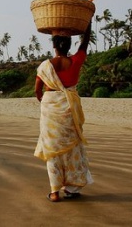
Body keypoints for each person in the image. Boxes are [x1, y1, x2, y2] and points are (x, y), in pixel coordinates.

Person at [34, 22, 93, 202]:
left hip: (51, 108)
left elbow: (37, 91)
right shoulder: (75, 61)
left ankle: (54, 192)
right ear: (69, 46)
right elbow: (84, 43)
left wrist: (44, 101)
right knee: (72, 150)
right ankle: (71, 187)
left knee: (53, 150)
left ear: (53, 45)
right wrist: (88, 24)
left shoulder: (45, 66)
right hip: (69, 109)